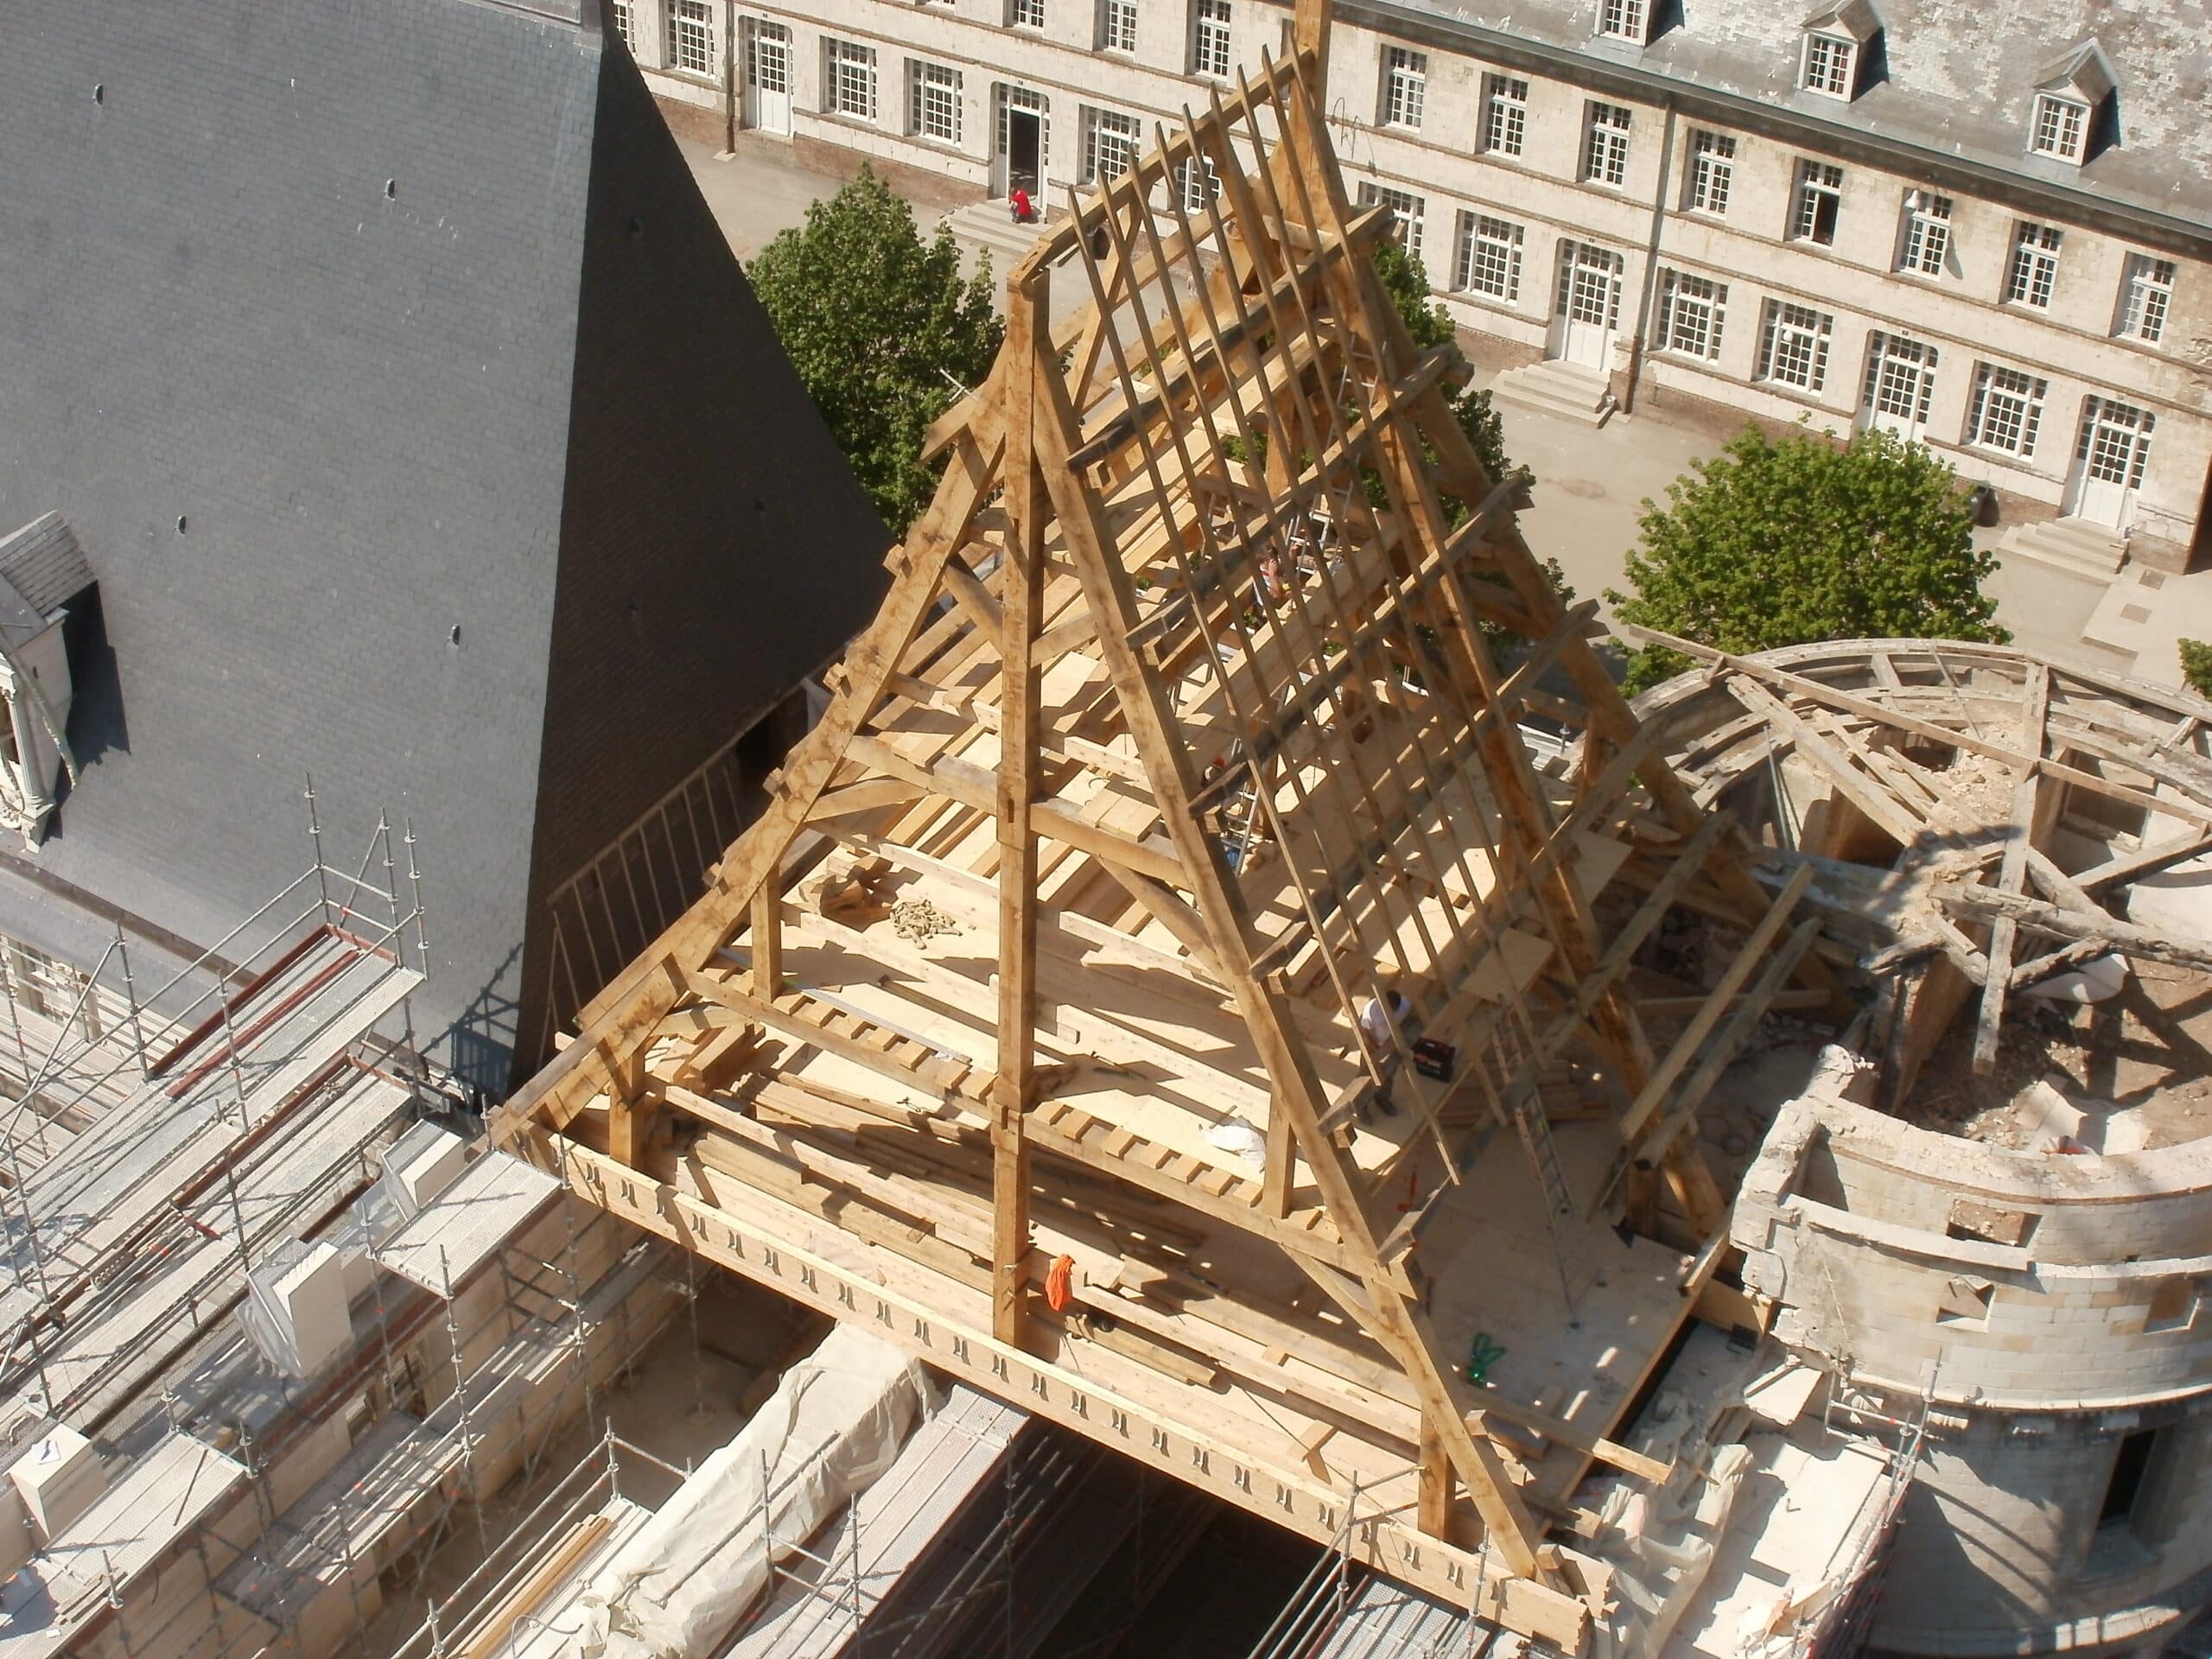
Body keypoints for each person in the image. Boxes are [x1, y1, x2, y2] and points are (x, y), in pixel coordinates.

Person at [1357, 977, 1411, 1120]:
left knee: (1387, 1077)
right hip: (1373, 1048)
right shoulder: (1371, 1010)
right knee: (1367, 1079)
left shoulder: (1404, 1005)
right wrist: (1376, 1051)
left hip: (1391, 1046)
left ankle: (1382, 1099)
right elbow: (1365, 1034)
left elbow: (1407, 1022)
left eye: (1393, 1010)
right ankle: (1361, 1107)